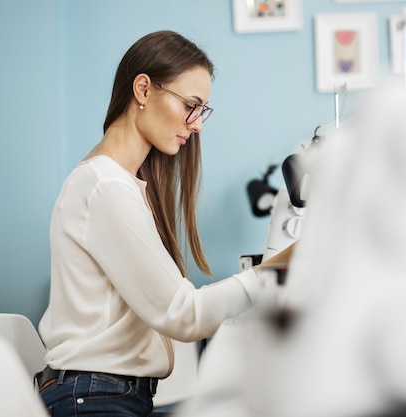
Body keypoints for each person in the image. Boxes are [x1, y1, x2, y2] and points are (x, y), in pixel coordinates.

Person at [35, 30, 295, 417]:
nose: (198, 124)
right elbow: (184, 314)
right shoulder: (104, 186)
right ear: (143, 90)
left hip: (105, 393)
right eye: (191, 104)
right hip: (95, 400)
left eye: (202, 110)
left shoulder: (117, 184)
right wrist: (281, 265)